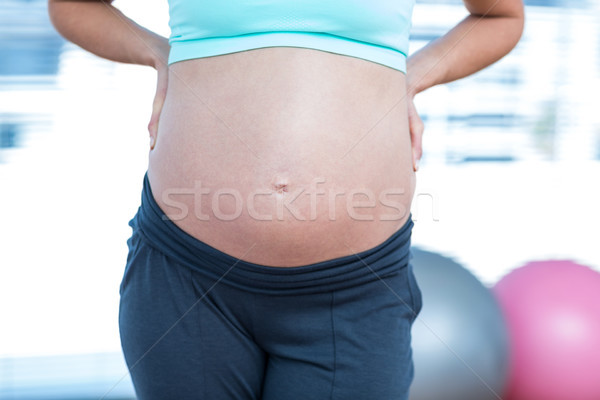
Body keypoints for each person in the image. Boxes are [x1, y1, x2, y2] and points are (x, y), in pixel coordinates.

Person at [48, 0, 524, 399]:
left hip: (355, 292)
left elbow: (501, 15)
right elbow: (72, 6)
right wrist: (158, 51)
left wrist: (412, 74)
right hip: (188, 278)